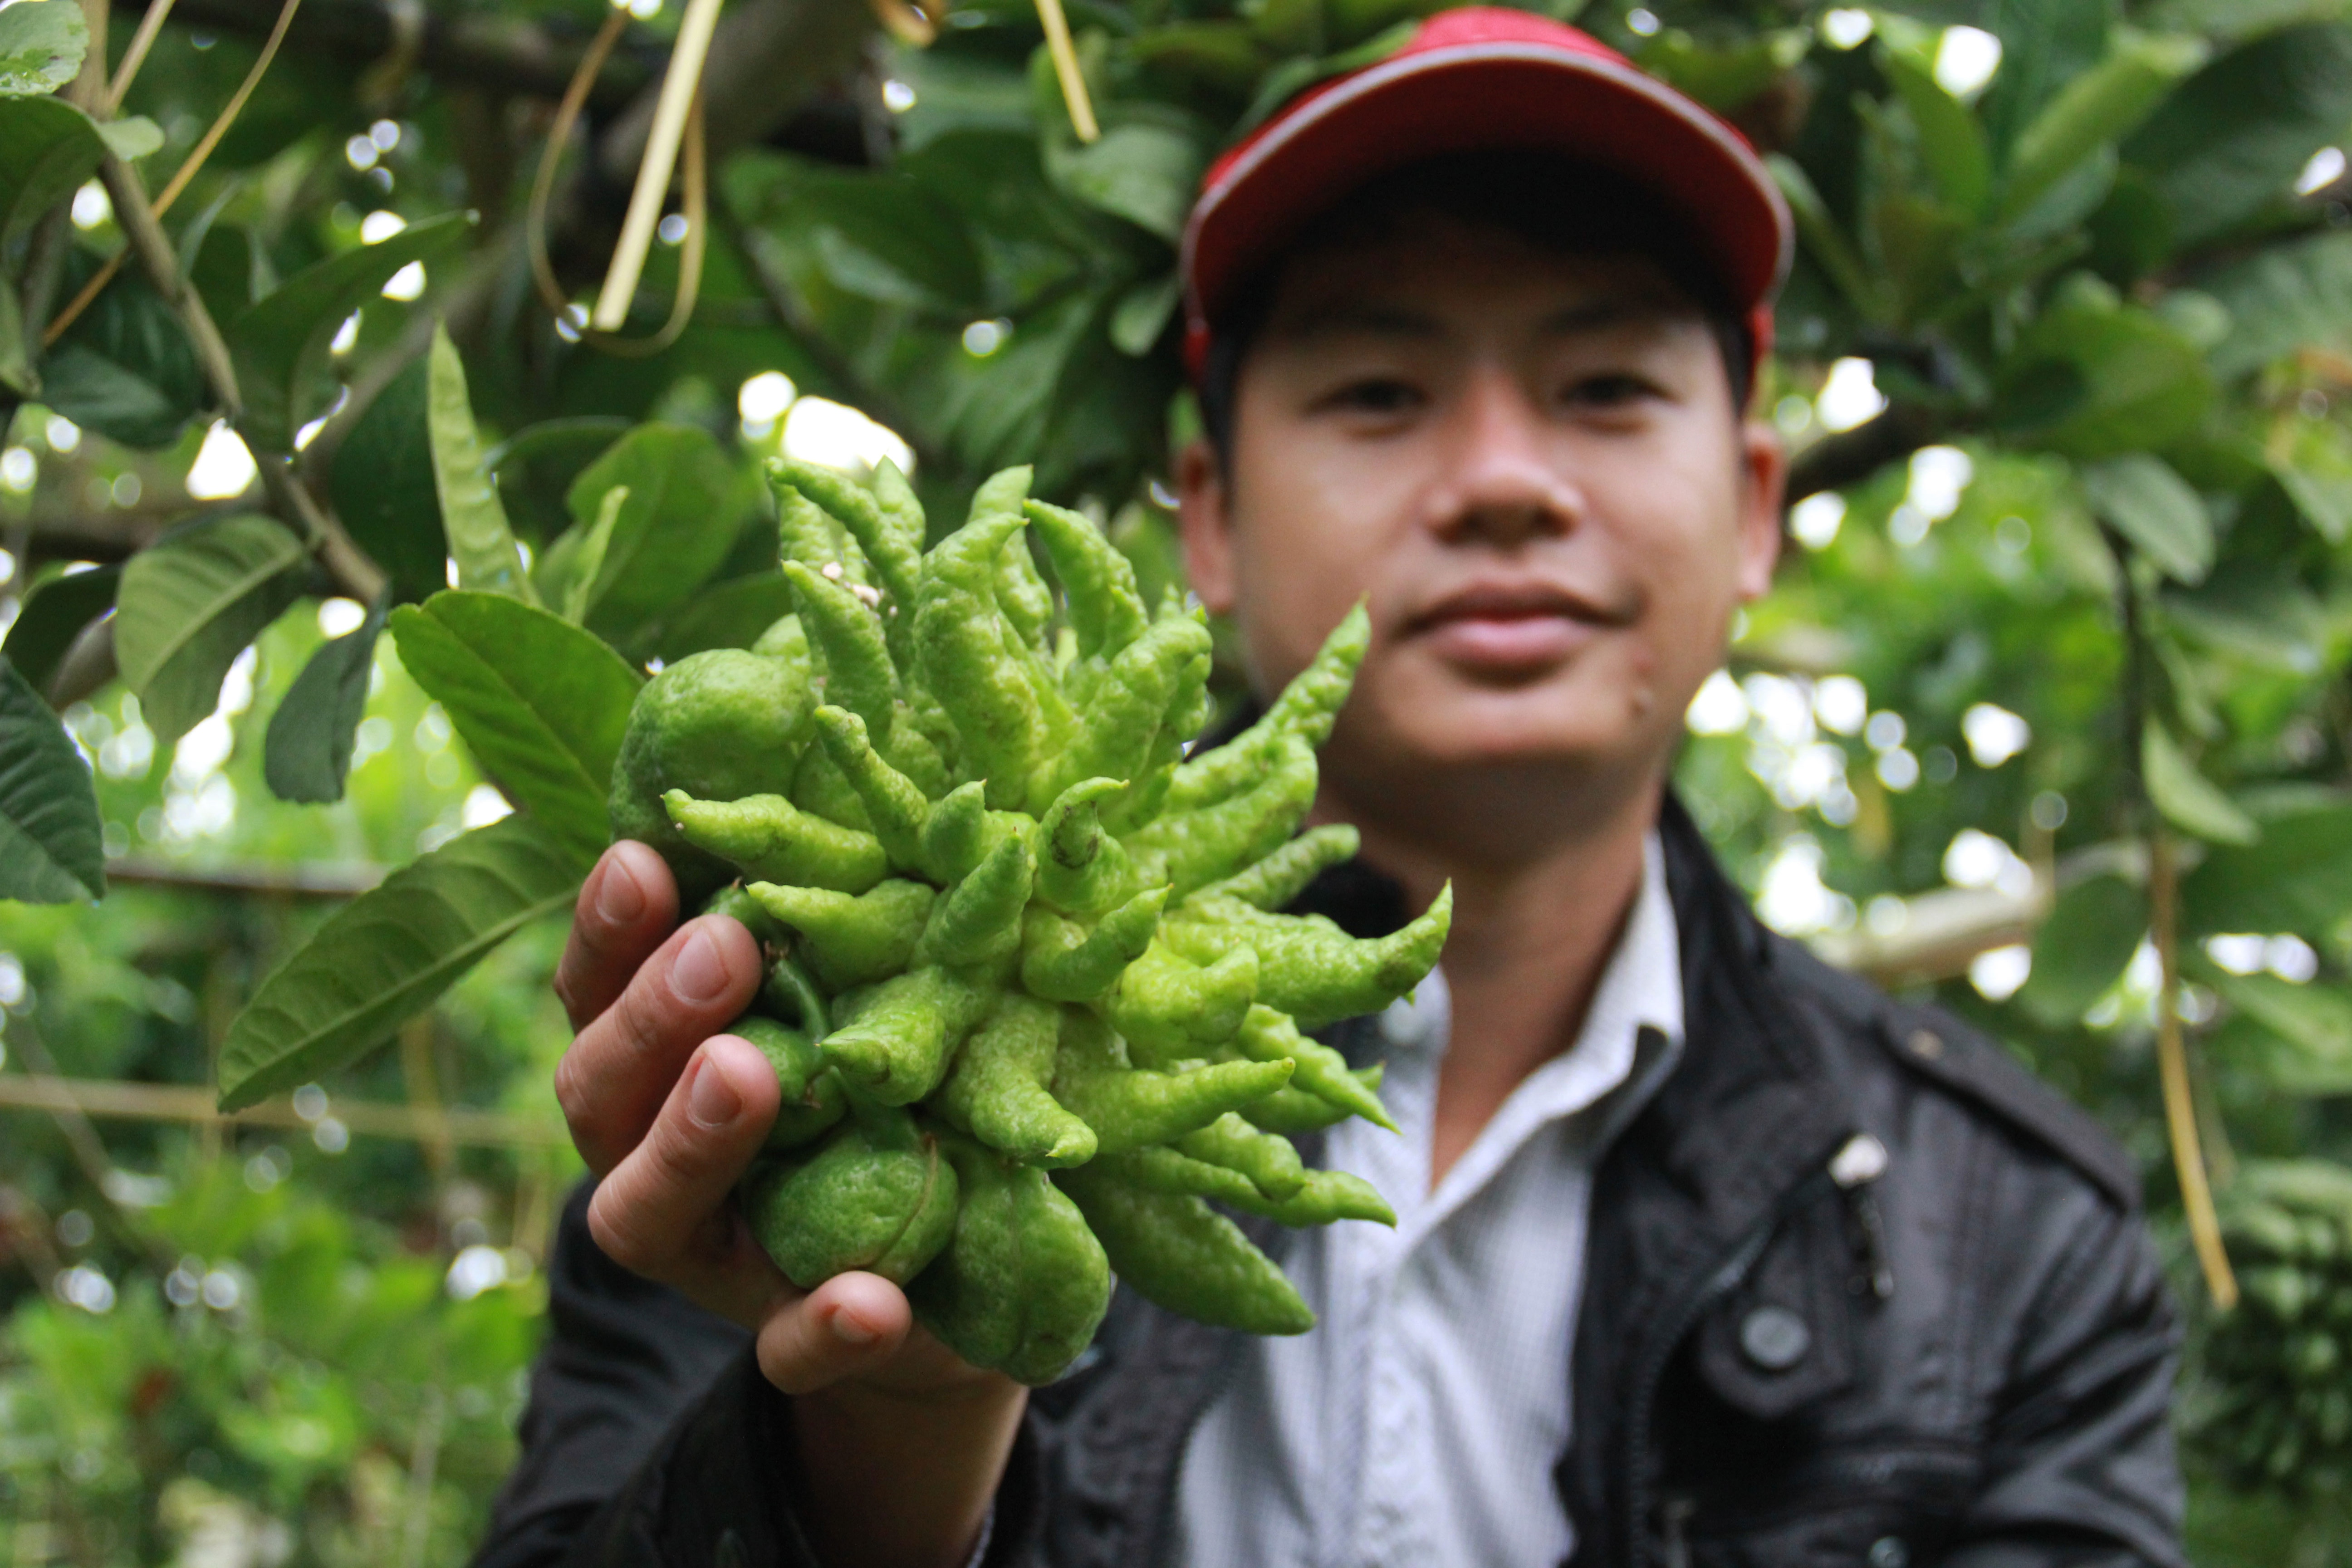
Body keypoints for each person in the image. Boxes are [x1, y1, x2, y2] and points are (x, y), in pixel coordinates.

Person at [475, 10, 2186, 1566]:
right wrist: (886, 1447)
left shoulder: (2013, 1234)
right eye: (1381, 390)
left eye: (1604, 389)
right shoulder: (764, 1079)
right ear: (1207, 515)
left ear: (1753, 508)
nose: (1506, 480)